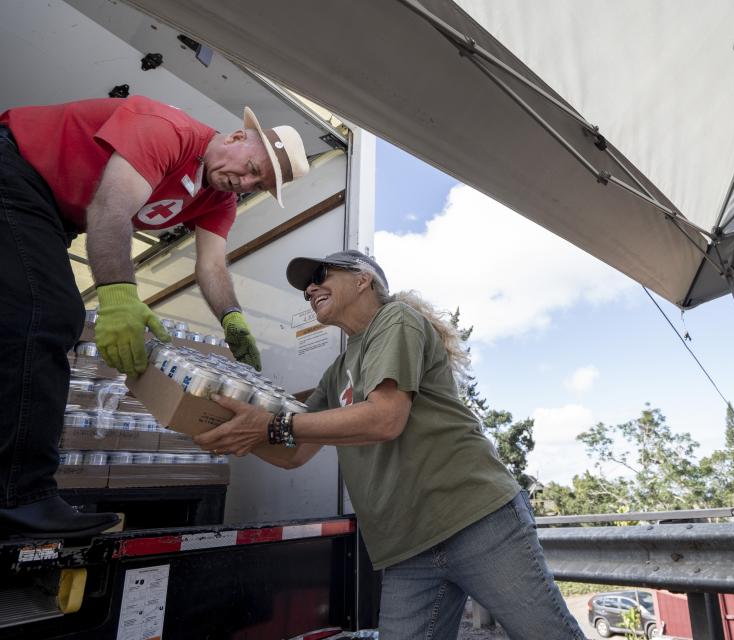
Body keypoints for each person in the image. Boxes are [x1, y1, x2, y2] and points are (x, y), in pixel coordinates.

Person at [193, 250, 586, 639]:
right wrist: (230, 430)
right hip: (406, 547)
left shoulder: (396, 320)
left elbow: (385, 418)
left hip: (475, 521)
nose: (311, 288)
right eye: (307, 287)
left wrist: (270, 428)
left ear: (362, 279)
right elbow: (295, 451)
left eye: (321, 274)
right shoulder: (336, 373)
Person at [0, 95, 310, 536]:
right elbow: (111, 208)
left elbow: (212, 266)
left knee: (26, 319)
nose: (243, 183)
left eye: (254, 186)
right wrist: (120, 297)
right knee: (46, 315)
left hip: (54, 214)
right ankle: (18, 499)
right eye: (252, 169)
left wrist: (233, 320)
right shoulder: (169, 130)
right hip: (17, 169)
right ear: (240, 137)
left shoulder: (217, 198)